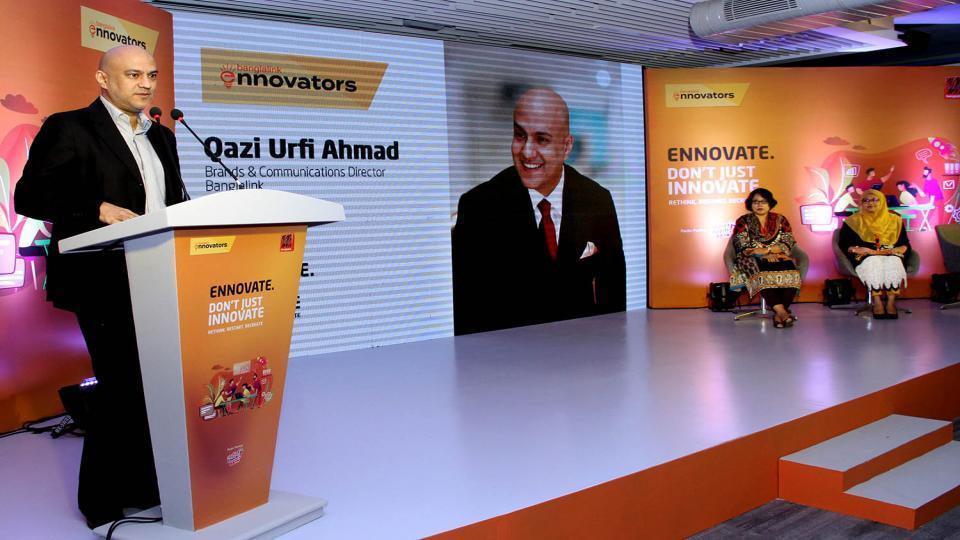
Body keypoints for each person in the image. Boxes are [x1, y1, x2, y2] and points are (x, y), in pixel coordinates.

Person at [13, 45, 188, 528]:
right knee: (121, 384)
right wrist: (96, 207)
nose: (146, 83)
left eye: (151, 74)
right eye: (133, 74)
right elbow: (29, 194)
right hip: (101, 277)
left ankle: (147, 487)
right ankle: (102, 504)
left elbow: (172, 203)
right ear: (103, 79)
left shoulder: (163, 136)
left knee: (155, 385)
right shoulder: (70, 127)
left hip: (160, 274)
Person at [452, 88, 625, 335]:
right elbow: (468, 314)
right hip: (508, 352)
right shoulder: (478, 206)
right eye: (520, 135)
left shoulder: (598, 199)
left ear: (567, 146)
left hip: (582, 349)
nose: (526, 152)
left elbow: (615, 297)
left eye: (542, 139)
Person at [729, 188, 802, 328]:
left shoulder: (781, 219)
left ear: (770, 204)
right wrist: (764, 254)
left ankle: (778, 315)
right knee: (762, 273)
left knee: (792, 273)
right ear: (750, 204)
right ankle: (783, 313)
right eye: (755, 202)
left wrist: (769, 250)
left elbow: (787, 241)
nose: (759, 205)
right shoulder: (743, 221)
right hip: (750, 258)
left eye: (763, 201)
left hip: (778, 256)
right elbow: (741, 245)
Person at [838, 189, 911, 319]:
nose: (870, 203)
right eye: (866, 200)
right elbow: (843, 243)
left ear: (882, 202)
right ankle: (877, 302)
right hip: (866, 255)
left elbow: (904, 243)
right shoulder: (852, 221)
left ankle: (891, 303)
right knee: (873, 261)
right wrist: (854, 249)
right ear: (861, 203)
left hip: (890, 253)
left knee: (893, 261)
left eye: (875, 200)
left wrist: (902, 248)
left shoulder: (895, 220)